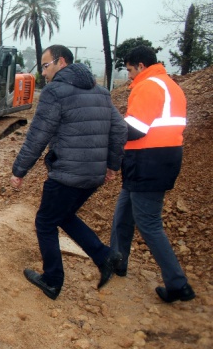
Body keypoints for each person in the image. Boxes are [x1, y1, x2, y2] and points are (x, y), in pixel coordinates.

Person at [10, 45, 127, 300]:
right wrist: (111, 165)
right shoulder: (101, 91)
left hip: (67, 175)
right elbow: (120, 130)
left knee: (45, 222)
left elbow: (38, 136)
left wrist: (19, 170)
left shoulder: (55, 92)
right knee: (63, 215)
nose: (43, 72)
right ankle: (105, 256)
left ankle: (52, 281)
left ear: (61, 62)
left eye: (45, 65)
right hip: (93, 176)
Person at [110, 46, 195, 303]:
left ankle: (178, 284)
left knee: (148, 223)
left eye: (130, 70)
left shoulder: (148, 86)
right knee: (123, 213)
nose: (129, 76)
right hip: (157, 159)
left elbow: (136, 129)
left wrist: (110, 127)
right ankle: (116, 261)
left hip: (148, 161)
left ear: (141, 66)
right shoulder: (171, 85)